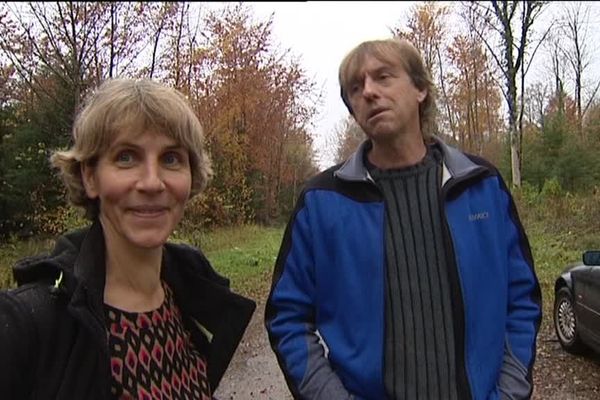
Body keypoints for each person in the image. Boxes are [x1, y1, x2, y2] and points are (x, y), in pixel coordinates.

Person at [265, 38, 542, 400]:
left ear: (420, 89)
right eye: (355, 87)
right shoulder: (321, 202)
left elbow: (522, 299)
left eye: (383, 77)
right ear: (351, 108)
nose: (368, 91)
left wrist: (508, 392)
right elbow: (288, 317)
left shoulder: (480, 185)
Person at [0, 78, 256, 399]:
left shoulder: (190, 297)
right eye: (126, 157)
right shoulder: (26, 325)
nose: (152, 182)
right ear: (90, 177)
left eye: (171, 158)